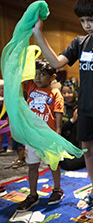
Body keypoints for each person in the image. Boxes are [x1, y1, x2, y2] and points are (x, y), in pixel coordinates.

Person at [32, 0, 93, 217]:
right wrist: (38, 33)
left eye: (91, 20)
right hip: (85, 107)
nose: (86, 25)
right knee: (87, 151)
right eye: (82, 21)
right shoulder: (79, 42)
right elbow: (56, 62)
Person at [17, 58, 65, 211]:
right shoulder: (30, 85)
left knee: (53, 164)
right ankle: (32, 194)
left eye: (42, 74)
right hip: (32, 136)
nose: (37, 77)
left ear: (52, 77)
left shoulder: (55, 93)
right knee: (32, 165)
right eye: (35, 74)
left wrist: (57, 134)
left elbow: (58, 114)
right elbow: (20, 77)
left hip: (49, 137)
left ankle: (57, 189)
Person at [59, 80, 86, 171]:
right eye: (64, 93)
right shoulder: (60, 107)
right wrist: (72, 121)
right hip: (66, 144)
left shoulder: (80, 106)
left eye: (69, 92)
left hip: (79, 142)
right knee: (67, 164)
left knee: (91, 156)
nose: (66, 95)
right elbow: (60, 129)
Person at [0, 79, 11, 153]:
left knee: (8, 135)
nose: (2, 90)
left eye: (4, 88)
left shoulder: (8, 97)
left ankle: (7, 146)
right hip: (1, 119)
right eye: (0, 88)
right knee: (0, 136)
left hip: (7, 119)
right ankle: (1, 147)